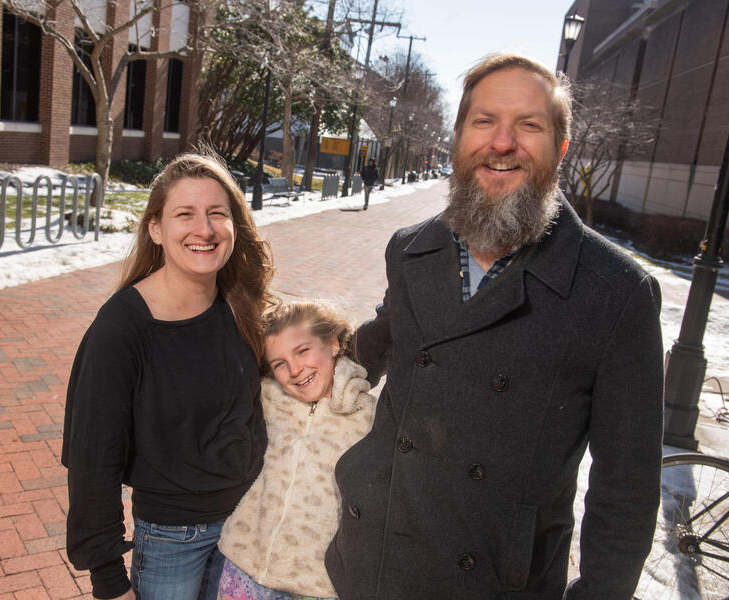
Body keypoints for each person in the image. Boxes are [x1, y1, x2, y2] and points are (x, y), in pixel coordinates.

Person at [325, 53, 664, 599]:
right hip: (373, 558)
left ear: (561, 148)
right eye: (484, 122)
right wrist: (327, 357)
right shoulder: (409, 249)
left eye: (529, 125)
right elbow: (396, 334)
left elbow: (626, 485)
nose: (502, 143)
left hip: (495, 581)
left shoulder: (618, 293)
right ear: (459, 138)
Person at [62, 152, 275, 600]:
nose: (205, 229)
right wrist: (108, 579)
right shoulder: (122, 327)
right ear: (156, 229)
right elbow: (92, 460)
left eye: (217, 213)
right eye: (185, 215)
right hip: (172, 542)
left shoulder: (240, 304)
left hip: (252, 525)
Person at [217, 301, 376, 600]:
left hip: (317, 587)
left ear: (333, 343)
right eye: (279, 363)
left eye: (303, 351)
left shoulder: (369, 418)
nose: (294, 370)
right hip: (243, 570)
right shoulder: (264, 399)